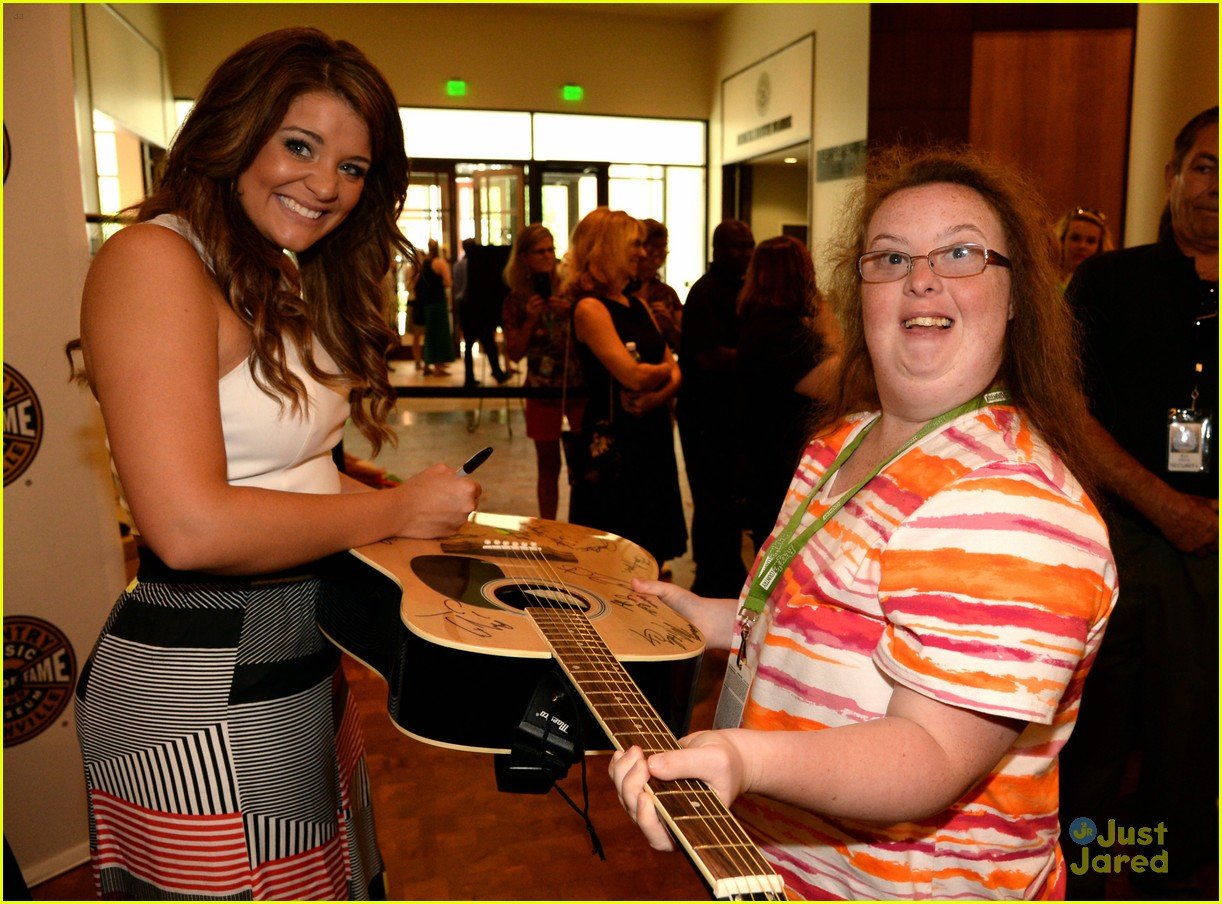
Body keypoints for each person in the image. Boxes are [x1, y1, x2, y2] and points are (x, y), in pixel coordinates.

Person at [610, 147, 1117, 900]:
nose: (922, 277)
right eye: (890, 257)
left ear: (1017, 297)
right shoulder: (840, 443)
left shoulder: (1016, 510)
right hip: (787, 868)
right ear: (860, 294)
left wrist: (744, 761)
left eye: (961, 252)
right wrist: (706, 616)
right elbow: (806, 624)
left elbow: (930, 753)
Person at [71, 28, 480, 900]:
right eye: (301, 145)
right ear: (235, 130)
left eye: (355, 168)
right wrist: (395, 509)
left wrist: (355, 483)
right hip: (199, 685)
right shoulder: (153, 260)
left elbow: (271, 456)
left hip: (297, 652)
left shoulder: (270, 269)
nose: (327, 185)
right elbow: (186, 527)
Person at [1060, 106, 1218, 900]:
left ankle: (1169, 877)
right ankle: (1077, 876)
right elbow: (1062, 407)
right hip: (1112, 542)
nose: (1217, 188)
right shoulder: (1109, 284)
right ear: (1173, 176)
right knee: (1089, 736)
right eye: (1204, 166)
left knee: (1192, 747)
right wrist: (1163, 503)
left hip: (1214, 563)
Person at [565, 207, 687, 568]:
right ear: (607, 246)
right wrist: (661, 374)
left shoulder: (637, 304)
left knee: (652, 549)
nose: (643, 253)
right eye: (634, 244)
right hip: (615, 442)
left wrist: (657, 393)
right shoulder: (590, 308)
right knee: (612, 552)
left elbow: (674, 370)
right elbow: (632, 376)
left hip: (652, 434)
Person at [733, 235, 837, 552]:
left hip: (767, 454)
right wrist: (829, 327)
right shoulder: (779, 332)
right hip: (777, 461)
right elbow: (835, 387)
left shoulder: (764, 324)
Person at [676, 219, 755, 596]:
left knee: (727, 497)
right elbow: (707, 356)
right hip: (705, 414)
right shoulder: (706, 293)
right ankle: (711, 576)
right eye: (737, 246)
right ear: (717, 249)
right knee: (710, 497)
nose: (745, 253)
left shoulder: (746, 290)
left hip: (733, 415)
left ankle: (720, 571)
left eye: (749, 246)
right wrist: (760, 355)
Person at [502, 225, 585, 520]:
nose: (548, 257)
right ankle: (548, 526)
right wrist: (531, 320)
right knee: (547, 465)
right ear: (524, 257)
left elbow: (591, 337)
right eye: (540, 251)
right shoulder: (516, 298)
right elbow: (513, 352)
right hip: (541, 386)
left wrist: (573, 314)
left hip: (578, 384)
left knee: (585, 463)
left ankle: (583, 523)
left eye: (551, 249)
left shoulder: (572, 287)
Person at [632, 218, 683, 351]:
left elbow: (687, 346)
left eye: (662, 246)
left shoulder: (667, 293)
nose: (657, 252)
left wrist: (670, 327)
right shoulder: (621, 289)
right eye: (651, 246)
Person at [415, 237, 454, 375]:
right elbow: (449, 282)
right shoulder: (440, 263)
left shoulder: (425, 263)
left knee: (430, 334)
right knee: (440, 333)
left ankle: (428, 364)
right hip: (438, 302)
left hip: (427, 303)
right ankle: (438, 365)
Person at [1052, 206, 1113, 289]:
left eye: (1090, 241)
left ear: (1100, 246)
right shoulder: (1045, 282)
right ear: (1062, 240)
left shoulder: (1107, 287)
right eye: (1075, 238)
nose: (1082, 246)